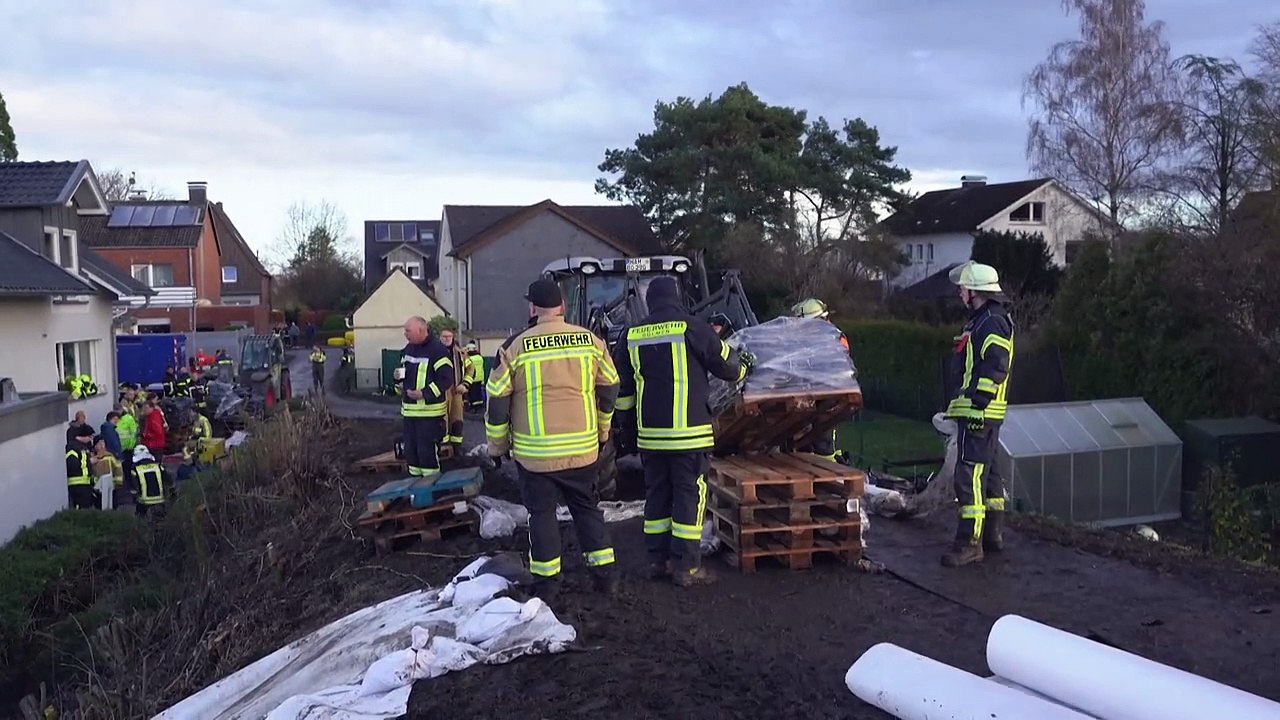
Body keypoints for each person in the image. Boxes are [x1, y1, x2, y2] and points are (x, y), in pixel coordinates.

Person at [613, 277, 754, 586]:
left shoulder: (630, 335)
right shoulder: (691, 327)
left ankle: (657, 561)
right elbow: (727, 367)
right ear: (676, 298)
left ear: (651, 301)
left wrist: (624, 427)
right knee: (689, 497)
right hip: (689, 436)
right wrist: (745, 366)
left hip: (650, 437)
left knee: (657, 497)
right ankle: (686, 568)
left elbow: (622, 389)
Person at [486, 279, 620, 598]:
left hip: (536, 457)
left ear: (532, 307)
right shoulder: (590, 341)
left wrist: (497, 446)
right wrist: (602, 430)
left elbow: (497, 402)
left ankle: (548, 584)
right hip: (583, 452)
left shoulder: (514, 347)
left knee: (542, 516)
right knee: (587, 510)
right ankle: (606, 578)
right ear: (562, 306)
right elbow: (611, 385)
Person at [940, 261, 1015, 568]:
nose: (960, 293)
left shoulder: (991, 322)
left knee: (968, 476)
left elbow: (996, 363)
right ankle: (992, 537)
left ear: (975, 292)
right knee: (990, 476)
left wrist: (979, 404)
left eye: (963, 288)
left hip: (979, 412)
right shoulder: (981, 321)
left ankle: (969, 543)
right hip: (981, 412)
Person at [791, 297, 850, 462]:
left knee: (823, 439)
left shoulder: (834, 338)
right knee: (803, 436)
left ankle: (827, 471)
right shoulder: (815, 337)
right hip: (814, 391)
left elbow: (833, 366)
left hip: (829, 393)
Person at [397, 316, 453, 479]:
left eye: (408, 331)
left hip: (429, 414)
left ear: (421, 330)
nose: (405, 334)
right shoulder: (408, 349)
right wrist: (397, 381)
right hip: (409, 413)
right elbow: (403, 373)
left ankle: (431, 491)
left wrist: (424, 393)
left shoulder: (437, 351)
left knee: (427, 454)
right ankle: (416, 489)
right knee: (412, 454)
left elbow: (446, 379)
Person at [438, 328, 475, 448]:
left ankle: (456, 447)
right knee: (441, 419)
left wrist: (465, 384)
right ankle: (442, 446)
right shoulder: (435, 352)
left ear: (453, 337)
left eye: (449, 336)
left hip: (457, 390)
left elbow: (471, 369)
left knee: (457, 419)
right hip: (441, 391)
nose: (447, 339)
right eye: (444, 337)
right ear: (440, 338)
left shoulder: (460, 353)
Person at [65, 425, 99, 510]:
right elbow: (72, 465)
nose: (90, 439)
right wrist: (90, 462)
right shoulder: (72, 448)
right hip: (77, 485)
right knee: (82, 509)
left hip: (85, 484)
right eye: (89, 437)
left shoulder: (81, 447)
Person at [132, 445, 166, 517]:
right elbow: (168, 480)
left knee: (140, 520)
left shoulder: (136, 470)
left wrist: (134, 497)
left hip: (144, 502)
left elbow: (134, 487)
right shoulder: (158, 466)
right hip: (160, 500)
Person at [466, 341, 486, 409]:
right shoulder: (480, 357)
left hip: (472, 378)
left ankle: (473, 406)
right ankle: (480, 405)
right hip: (480, 377)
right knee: (478, 392)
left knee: (472, 393)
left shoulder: (469, 358)